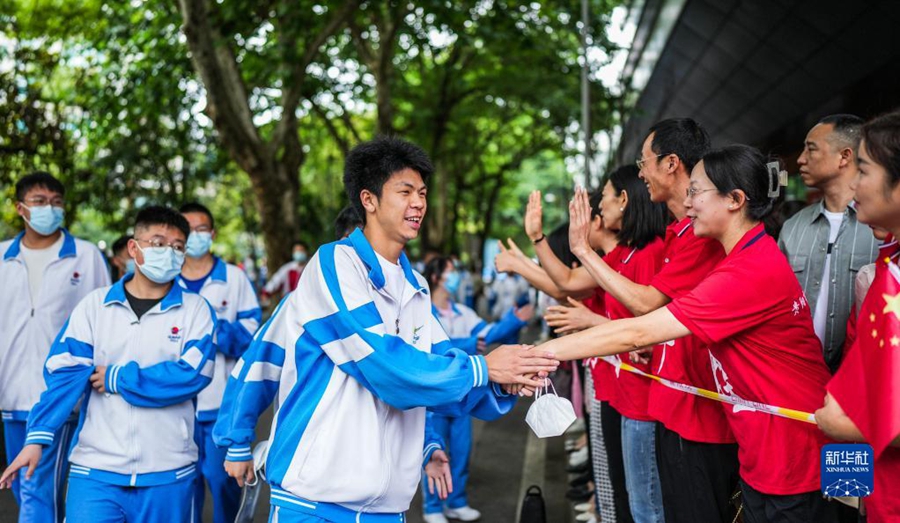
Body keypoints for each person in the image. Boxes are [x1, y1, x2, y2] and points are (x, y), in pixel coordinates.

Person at [212, 136, 558, 523]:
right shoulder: (335, 264)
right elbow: (383, 365)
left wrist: (506, 379)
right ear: (369, 200)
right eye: (405, 191)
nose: (419, 203)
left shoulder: (415, 288)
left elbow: (435, 372)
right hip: (314, 505)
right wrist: (237, 441)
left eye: (423, 192)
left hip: (386, 510)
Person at [542, 145, 837, 523]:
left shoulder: (749, 270)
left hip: (795, 459)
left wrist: (544, 353)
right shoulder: (740, 257)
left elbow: (638, 331)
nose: (689, 202)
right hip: (768, 452)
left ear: (735, 200)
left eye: (696, 191)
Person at [559, 119, 738, 523]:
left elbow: (643, 313)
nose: (641, 173)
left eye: (644, 162)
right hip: (673, 403)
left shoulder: (709, 243)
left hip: (703, 414)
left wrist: (581, 252)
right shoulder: (680, 233)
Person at [0, 206, 217, 523]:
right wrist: (38, 436)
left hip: (169, 471)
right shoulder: (94, 307)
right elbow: (64, 376)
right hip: (96, 471)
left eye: (177, 247)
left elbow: (191, 375)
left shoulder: (196, 311)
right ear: (134, 247)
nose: (169, 253)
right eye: (158, 243)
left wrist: (117, 379)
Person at [0, 171, 110, 522]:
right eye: (40, 201)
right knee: (25, 488)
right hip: (11, 394)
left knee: (35, 489)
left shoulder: (86, 256)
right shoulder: (2, 257)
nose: (50, 208)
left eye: (56, 202)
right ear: (20, 208)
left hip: (59, 396)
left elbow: (107, 322)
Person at [566, 166, 670, 523]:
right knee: (632, 498)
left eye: (604, 199)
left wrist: (579, 248)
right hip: (624, 390)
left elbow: (641, 324)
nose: (598, 210)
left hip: (643, 396)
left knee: (646, 507)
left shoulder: (651, 252)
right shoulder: (624, 254)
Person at [816, 111, 900, 522]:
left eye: (863, 171)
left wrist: (847, 425)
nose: (854, 186)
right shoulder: (883, 268)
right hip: (880, 487)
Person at [421, 256, 534, 523]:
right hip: (433, 396)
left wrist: (513, 321)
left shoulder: (464, 312)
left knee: (461, 449)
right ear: (436, 277)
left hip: (462, 391)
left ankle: (456, 501)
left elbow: (488, 333)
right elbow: (438, 349)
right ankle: (433, 506)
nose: (456, 276)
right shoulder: (422, 314)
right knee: (433, 446)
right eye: (450, 271)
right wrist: (472, 344)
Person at [178, 202, 262, 523]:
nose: (195, 236)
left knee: (224, 483)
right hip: (175, 406)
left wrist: (211, 329)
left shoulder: (234, 278)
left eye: (202, 229)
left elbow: (252, 338)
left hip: (220, 407)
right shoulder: (166, 280)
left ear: (212, 234)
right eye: (189, 230)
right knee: (184, 488)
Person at [778, 114, 879, 373]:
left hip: (861, 376)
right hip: (797, 373)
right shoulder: (792, 228)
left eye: (811, 149)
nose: (801, 159)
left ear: (844, 157)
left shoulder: (881, 228)